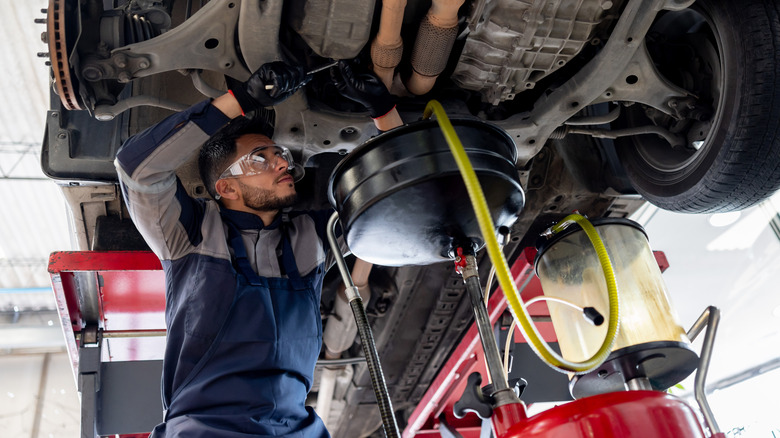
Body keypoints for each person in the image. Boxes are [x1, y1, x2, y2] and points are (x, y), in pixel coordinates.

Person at [114, 60, 397, 437]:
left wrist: (384, 111)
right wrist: (240, 99)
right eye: (260, 158)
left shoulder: (312, 236)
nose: (281, 160)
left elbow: (393, 193)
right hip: (207, 430)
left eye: (279, 153)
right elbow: (137, 169)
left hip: (297, 428)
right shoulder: (190, 234)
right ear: (226, 188)